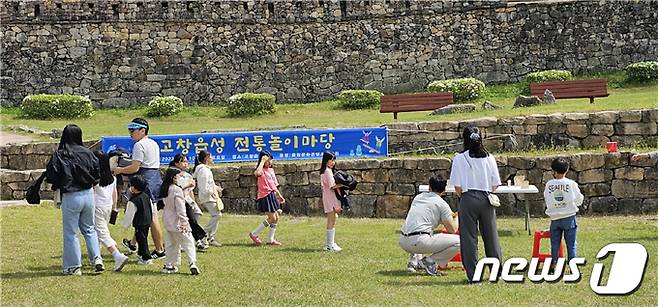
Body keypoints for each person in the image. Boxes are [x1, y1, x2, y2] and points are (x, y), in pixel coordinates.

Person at [45, 124, 104, 275]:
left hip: (71, 196)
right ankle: (97, 259)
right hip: (88, 194)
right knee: (89, 229)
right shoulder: (88, 153)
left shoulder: (60, 154)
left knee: (71, 233)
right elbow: (97, 173)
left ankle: (73, 266)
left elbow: (52, 176)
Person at [449, 126, 502, 283]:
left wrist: (464, 196)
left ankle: (473, 274)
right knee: (491, 236)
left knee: (469, 238)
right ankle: (496, 272)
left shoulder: (460, 158)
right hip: (486, 197)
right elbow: (495, 183)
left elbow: (457, 186)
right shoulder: (489, 157)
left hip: (468, 197)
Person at [113, 118, 165, 260]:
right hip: (155, 178)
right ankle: (133, 243)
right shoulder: (153, 143)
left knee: (152, 217)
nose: (130, 133)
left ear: (143, 130)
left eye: (133, 130)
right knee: (144, 215)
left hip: (145, 180)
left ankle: (160, 250)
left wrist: (119, 170)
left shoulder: (139, 145)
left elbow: (135, 167)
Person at [399, 176, 460, 276]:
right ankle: (429, 261)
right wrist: (457, 217)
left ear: (429, 187)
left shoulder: (418, 198)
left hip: (403, 241)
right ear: (444, 189)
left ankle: (414, 262)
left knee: (421, 228)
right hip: (418, 242)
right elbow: (453, 229)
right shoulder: (441, 204)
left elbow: (426, 217)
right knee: (460, 242)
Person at [92, 151, 130, 272]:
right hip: (107, 207)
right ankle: (96, 257)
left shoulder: (94, 178)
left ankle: (117, 255)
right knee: (98, 231)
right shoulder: (112, 177)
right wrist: (114, 207)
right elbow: (114, 194)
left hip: (97, 207)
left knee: (102, 233)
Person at [544, 158, 584, 266]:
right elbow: (579, 199)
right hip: (569, 217)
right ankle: (572, 264)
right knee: (571, 244)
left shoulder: (549, 184)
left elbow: (547, 198)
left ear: (554, 171)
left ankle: (554, 263)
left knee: (555, 243)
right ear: (566, 170)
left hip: (554, 218)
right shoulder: (571, 184)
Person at [160, 168, 200, 275]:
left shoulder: (165, 189)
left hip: (168, 221)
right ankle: (192, 263)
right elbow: (180, 208)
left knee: (171, 244)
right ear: (173, 178)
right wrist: (184, 221)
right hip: (178, 221)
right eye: (178, 176)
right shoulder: (176, 190)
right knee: (188, 242)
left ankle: (169, 265)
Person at [169, 154, 208, 251]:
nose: (186, 164)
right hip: (178, 201)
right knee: (185, 221)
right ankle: (201, 237)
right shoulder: (173, 175)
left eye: (186, 161)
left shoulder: (188, 175)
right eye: (183, 161)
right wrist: (188, 185)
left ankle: (198, 240)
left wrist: (194, 203)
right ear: (177, 163)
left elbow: (190, 191)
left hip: (187, 201)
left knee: (191, 220)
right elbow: (176, 189)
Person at [249, 151, 286, 246]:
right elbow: (257, 173)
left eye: (270, 160)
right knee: (272, 217)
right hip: (265, 196)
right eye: (267, 160)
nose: (269, 162)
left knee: (277, 216)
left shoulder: (271, 170)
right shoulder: (261, 170)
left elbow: (274, 185)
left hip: (272, 194)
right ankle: (254, 233)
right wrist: (262, 162)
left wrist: (279, 195)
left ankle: (271, 239)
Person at [192, 150, 223, 247]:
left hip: (211, 195)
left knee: (217, 215)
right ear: (206, 158)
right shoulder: (203, 170)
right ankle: (203, 234)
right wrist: (212, 192)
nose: (212, 158)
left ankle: (211, 237)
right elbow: (204, 186)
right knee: (217, 215)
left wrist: (216, 188)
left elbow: (210, 183)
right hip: (207, 197)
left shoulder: (206, 169)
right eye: (211, 156)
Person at [128, 175, 154, 265]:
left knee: (142, 240)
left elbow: (130, 213)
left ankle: (146, 257)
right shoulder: (146, 196)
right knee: (143, 237)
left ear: (134, 187)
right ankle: (140, 254)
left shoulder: (134, 199)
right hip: (147, 221)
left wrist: (126, 224)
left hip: (140, 223)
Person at [320, 151, 343, 252]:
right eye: (331, 160)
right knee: (331, 220)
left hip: (330, 197)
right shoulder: (327, 172)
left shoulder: (327, 171)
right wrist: (344, 184)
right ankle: (329, 244)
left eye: (334, 160)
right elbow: (332, 186)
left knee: (333, 220)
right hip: (330, 198)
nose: (333, 162)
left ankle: (331, 243)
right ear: (326, 160)